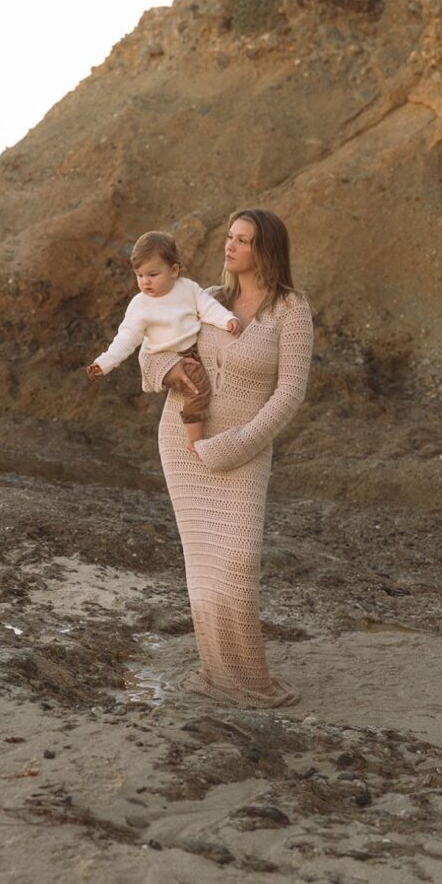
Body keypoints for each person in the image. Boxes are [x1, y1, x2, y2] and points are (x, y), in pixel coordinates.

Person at [139, 208, 314, 708]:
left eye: (243, 240)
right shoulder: (204, 299)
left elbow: (290, 394)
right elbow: (150, 352)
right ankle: (218, 674)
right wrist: (172, 368)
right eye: (230, 237)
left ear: (266, 250)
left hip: (244, 448)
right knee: (204, 564)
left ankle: (248, 680)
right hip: (183, 441)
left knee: (236, 560)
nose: (230, 246)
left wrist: (235, 445)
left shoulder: (291, 310)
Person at [86, 230, 240, 445]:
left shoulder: (188, 289)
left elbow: (209, 307)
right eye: (140, 275)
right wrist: (104, 363)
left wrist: (227, 320)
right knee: (199, 389)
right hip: (162, 357)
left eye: (153, 274)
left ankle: (213, 426)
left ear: (174, 270)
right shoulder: (140, 305)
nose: (145, 282)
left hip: (191, 350)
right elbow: (127, 338)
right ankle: (194, 441)